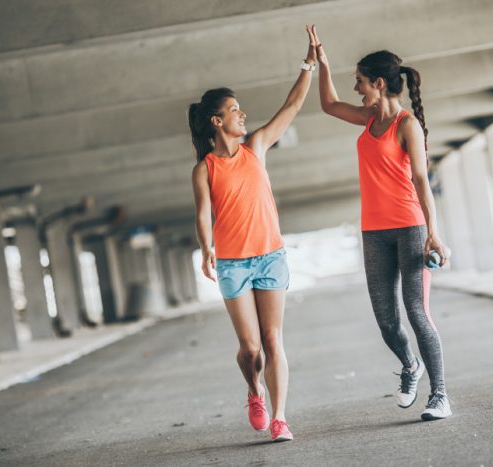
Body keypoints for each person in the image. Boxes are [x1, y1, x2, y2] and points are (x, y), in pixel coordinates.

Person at [309, 26, 452, 420]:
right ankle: (411, 366)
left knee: (416, 311)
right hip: (373, 232)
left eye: (359, 81)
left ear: (378, 82)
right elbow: (328, 105)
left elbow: (421, 182)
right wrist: (322, 64)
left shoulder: (407, 125)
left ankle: (440, 396)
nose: (355, 88)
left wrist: (434, 236)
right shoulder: (368, 118)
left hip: (410, 228)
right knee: (387, 322)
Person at [189, 26, 318, 442]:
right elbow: (204, 213)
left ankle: (280, 419)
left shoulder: (258, 146)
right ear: (217, 120)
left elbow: (292, 106)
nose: (242, 115)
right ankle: (253, 389)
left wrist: (307, 64)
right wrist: (207, 249)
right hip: (232, 264)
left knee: (273, 339)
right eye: (235, 110)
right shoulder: (204, 168)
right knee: (251, 350)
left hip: (270, 257)